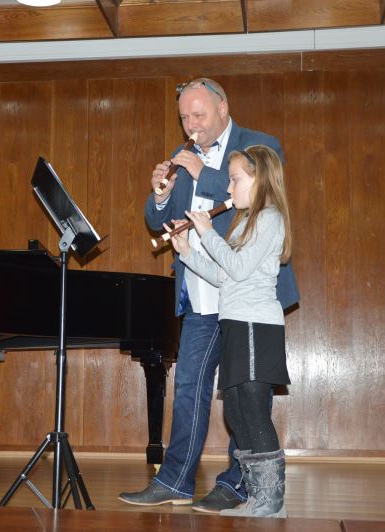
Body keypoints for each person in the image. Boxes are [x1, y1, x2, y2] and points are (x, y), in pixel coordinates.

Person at [117, 78, 299, 513]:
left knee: (245, 398)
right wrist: (161, 194)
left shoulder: (259, 145)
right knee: (190, 387)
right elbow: (154, 218)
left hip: (246, 298)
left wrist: (204, 173)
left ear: (223, 108)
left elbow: (260, 195)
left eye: (198, 115)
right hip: (201, 294)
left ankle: (238, 485)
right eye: (184, 117)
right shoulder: (182, 158)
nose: (190, 125)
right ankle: (175, 481)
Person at [171, 145, 291, 518]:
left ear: (260, 179)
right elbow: (225, 276)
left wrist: (207, 233)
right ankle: (257, 495)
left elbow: (237, 268)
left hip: (257, 325)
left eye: (235, 179)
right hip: (236, 323)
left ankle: (272, 500)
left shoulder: (270, 218)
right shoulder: (244, 222)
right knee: (237, 413)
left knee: (252, 409)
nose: (228, 187)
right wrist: (187, 251)